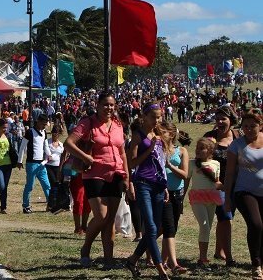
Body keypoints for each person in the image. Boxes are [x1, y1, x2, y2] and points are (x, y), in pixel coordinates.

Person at [64, 91, 128, 269]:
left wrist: (127, 177)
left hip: (116, 173)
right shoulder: (88, 123)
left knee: (110, 220)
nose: (109, 108)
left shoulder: (117, 125)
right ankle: (86, 248)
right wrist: (85, 157)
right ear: (98, 105)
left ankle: (109, 260)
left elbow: (122, 153)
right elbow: (68, 143)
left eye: (112, 105)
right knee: (101, 216)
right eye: (105, 104)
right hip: (94, 174)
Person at [124, 103, 172, 280]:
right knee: (150, 227)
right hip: (143, 183)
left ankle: (133, 259)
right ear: (144, 116)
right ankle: (160, 269)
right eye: (153, 116)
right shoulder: (138, 136)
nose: (157, 120)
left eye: (159, 116)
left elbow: (160, 162)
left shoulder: (159, 135)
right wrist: (149, 149)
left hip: (159, 185)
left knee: (156, 228)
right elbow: (132, 163)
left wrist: (165, 186)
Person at [224, 110, 263, 280]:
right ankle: (256, 264)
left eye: (252, 126)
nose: (248, 129)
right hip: (244, 191)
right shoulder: (236, 145)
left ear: (260, 126)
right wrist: (227, 198)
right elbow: (230, 174)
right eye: (245, 126)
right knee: (256, 224)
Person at [204, 105, 239, 266]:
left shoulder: (239, 136)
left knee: (224, 219)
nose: (219, 122)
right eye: (217, 118)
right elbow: (200, 162)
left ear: (231, 120)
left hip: (237, 184)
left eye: (223, 118)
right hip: (216, 186)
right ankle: (229, 257)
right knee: (226, 219)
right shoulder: (209, 136)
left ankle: (219, 251)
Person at [186, 137, 223, 271]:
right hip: (197, 197)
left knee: (208, 227)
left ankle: (204, 258)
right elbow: (186, 181)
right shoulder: (191, 164)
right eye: (197, 148)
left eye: (202, 148)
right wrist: (181, 198)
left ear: (210, 150)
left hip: (212, 197)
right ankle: (202, 258)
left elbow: (217, 182)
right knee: (205, 226)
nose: (198, 151)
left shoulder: (216, 163)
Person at [161, 123, 189, 275]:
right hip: (161, 193)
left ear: (171, 134)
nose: (160, 135)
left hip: (177, 193)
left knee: (172, 228)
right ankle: (173, 264)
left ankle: (162, 260)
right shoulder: (158, 150)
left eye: (163, 132)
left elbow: (184, 175)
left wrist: (170, 166)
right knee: (166, 227)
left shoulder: (182, 151)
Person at [18, 113, 51, 214]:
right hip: (31, 164)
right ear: (39, 122)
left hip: (41, 164)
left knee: (47, 185)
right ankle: (26, 205)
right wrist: (19, 161)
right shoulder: (30, 132)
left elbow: (45, 145)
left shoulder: (44, 132)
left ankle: (50, 205)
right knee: (30, 186)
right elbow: (22, 147)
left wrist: (49, 155)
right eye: (43, 124)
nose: (44, 126)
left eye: (46, 124)